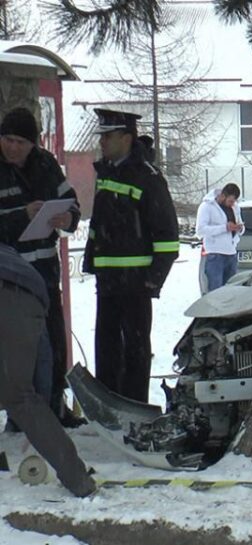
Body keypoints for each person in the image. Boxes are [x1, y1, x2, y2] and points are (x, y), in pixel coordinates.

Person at [83, 109, 180, 403]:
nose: (102, 142)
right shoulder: (106, 173)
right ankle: (108, 407)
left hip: (136, 284)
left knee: (135, 352)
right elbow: (98, 226)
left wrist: (153, 281)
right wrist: (92, 263)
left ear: (126, 138)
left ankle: (134, 408)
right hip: (108, 282)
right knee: (107, 349)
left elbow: (167, 235)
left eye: (108, 136)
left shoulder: (147, 178)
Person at [0, 107, 83, 427]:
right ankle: (20, 416)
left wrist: (68, 217)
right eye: (7, 139)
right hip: (9, 273)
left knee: (53, 339)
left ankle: (55, 406)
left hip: (45, 270)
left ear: (33, 144)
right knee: (20, 347)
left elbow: (70, 200)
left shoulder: (46, 164)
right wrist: (23, 213)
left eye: (20, 142)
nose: (12, 147)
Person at [0, 243, 97, 497]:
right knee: (21, 396)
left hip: (11, 295)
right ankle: (77, 478)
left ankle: (78, 481)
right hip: (31, 293)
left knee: (18, 397)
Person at [196, 183, 244, 292]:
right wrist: (224, 228)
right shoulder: (207, 206)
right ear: (223, 196)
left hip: (231, 253)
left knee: (230, 289)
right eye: (230, 201)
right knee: (215, 289)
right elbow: (200, 230)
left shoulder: (235, 207)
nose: (232, 204)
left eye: (234, 201)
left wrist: (240, 229)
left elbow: (240, 223)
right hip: (215, 254)